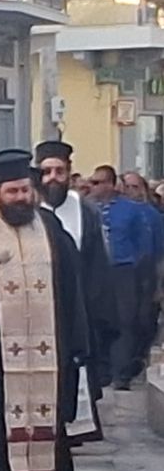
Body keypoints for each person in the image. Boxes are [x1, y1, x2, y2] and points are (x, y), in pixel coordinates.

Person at [0, 149, 89, 471]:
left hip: (48, 338)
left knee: (46, 401)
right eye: (12, 192)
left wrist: (77, 337)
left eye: (24, 191)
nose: (20, 198)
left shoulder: (49, 226)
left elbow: (71, 283)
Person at [35, 141, 114, 439]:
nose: (52, 179)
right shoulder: (28, 207)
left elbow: (97, 267)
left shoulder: (85, 211)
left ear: (69, 172)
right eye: (46, 172)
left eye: (59, 171)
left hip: (77, 307)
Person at [89, 165, 151, 389]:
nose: (93, 187)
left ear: (110, 184)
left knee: (125, 320)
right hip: (96, 271)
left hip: (123, 270)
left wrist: (140, 273)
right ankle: (100, 370)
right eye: (92, 182)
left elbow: (143, 243)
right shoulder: (87, 208)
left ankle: (121, 373)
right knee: (97, 319)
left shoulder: (131, 210)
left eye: (98, 183)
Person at [120, 170, 164, 367]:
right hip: (123, 275)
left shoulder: (151, 215)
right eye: (127, 187)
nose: (130, 191)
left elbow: (159, 248)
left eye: (135, 187)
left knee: (145, 318)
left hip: (148, 273)